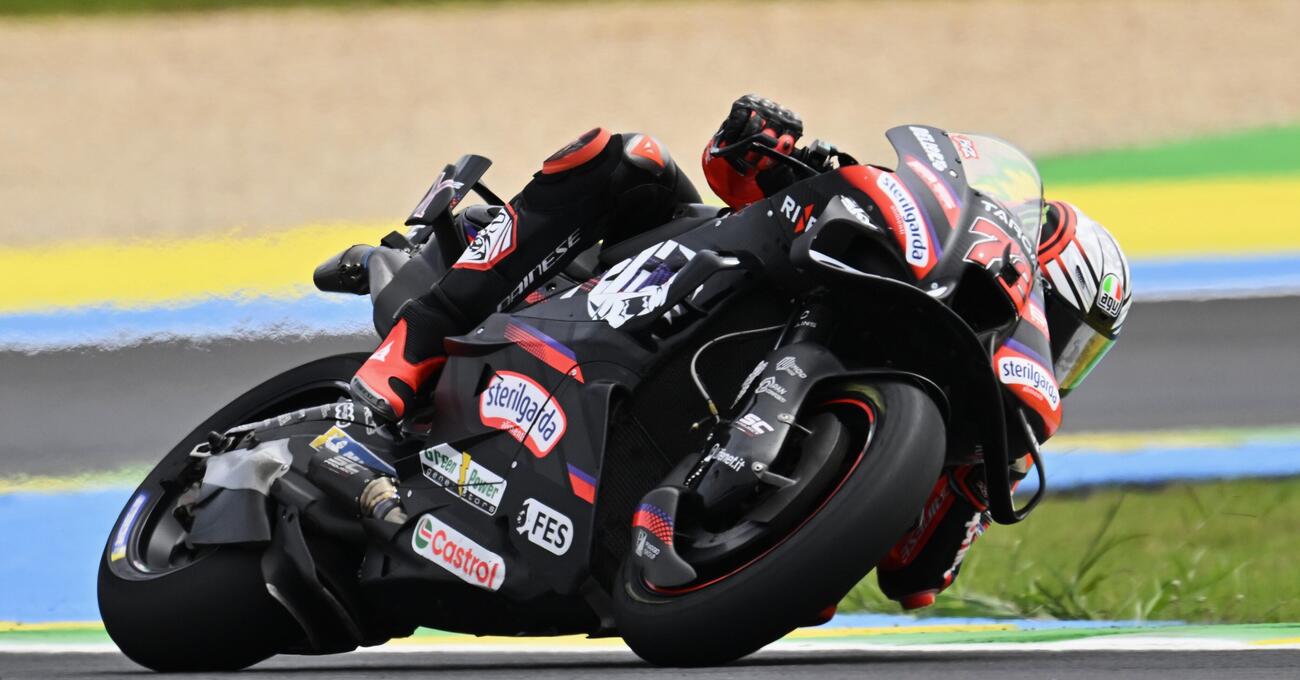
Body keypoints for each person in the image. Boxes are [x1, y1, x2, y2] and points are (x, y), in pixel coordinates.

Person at [348, 94, 1132, 611]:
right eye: (1063, 325)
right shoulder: (894, 230)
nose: (1061, 355)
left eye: (1079, 352)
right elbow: (729, 167)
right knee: (626, 156)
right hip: (646, 282)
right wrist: (767, 144)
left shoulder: (966, 444)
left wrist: (970, 485)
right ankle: (403, 360)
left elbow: (915, 579)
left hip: (680, 583)